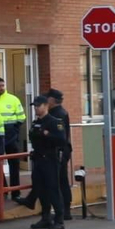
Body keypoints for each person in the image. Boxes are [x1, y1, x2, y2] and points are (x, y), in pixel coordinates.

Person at [26, 96, 66, 229]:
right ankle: (46, 217)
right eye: (35, 106)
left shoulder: (55, 122)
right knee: (41, 189)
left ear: (46, 106)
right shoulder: (35, 122)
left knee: (53, 189)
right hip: (38, 159)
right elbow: (32, 137)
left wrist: (46, 134)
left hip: (50, 159)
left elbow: (61, 140)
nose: (36, 108)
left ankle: (59, 220)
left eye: (38, 106)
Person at [0, 77, 26, 202]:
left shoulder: (13, 99)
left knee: (14, 164)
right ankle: (3, 191)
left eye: (3, 85)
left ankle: (16, 192)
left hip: (11, 136)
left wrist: (14, 130)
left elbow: (21, 117)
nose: (1, 88)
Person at [45, 89, 74, 221]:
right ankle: (64, 210)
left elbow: (59, 135)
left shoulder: (58, 114)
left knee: (61, 180)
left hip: (60, 150)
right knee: (59, 179)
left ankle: (65, 210)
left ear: (52, 100)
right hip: (61, 150)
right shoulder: (58, 112)